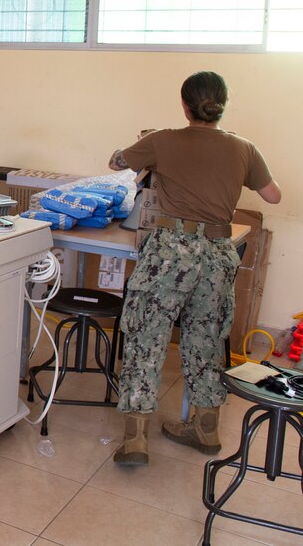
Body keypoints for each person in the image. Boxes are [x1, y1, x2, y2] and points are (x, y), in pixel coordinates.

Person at [108, 71, 281, 466]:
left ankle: (136, 439)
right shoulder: (244, 148)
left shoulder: (162, 139)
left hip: (171, 250)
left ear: (184, 105)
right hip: (219, 252)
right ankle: (205, 428)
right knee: (206, 338)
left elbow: (117, 161)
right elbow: (273, 195)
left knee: (146, 336)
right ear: (221, 106)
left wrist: (131, 150)